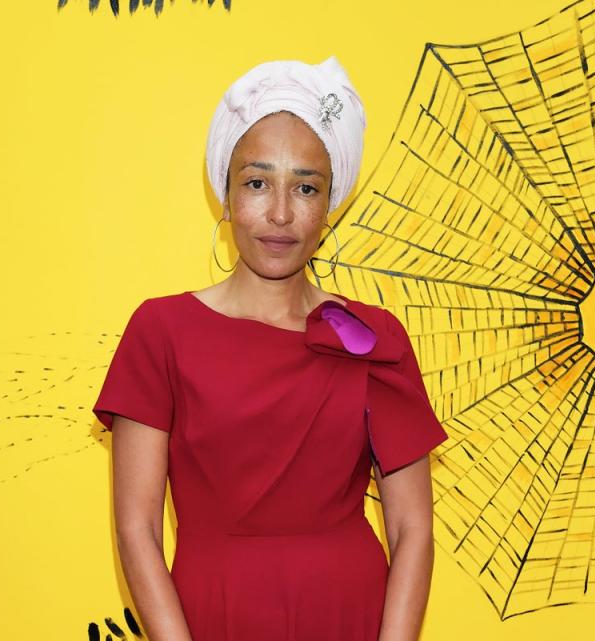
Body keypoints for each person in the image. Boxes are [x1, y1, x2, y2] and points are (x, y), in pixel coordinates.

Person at [92, 56, 449, 641]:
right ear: (225, 195)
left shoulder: (376, 338)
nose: (280, 213)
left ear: (329, 204)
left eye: (305, 187)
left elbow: (413, 529)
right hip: (212, 614)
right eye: (257, 183)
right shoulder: (161, 331)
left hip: (351, 616)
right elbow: (137, 530)